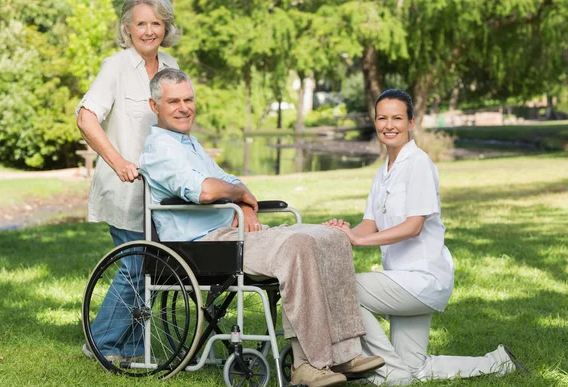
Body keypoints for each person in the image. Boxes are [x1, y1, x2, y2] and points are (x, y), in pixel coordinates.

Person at [138, 68, 385, 387]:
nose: (184, 107)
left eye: (189, 99)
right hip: (203, 245)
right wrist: (239, 196)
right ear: (154, 105)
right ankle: (308, 364)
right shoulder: (159, 149)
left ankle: (344, 353)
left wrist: (240, 200)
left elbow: (227, 180)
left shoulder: (188, 143)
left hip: (231, 234)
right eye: (174, 101)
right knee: (298, 246)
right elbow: (207, 191)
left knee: (333, 236)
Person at [323, 89, 529, 385]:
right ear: (375, 121)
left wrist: (357, 241)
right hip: (401, 279)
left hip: (422, 279)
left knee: (343, 287)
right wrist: (344, 234)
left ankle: (387, 369)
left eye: (397, 118)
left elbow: (413, 227)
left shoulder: (418, 163)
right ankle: (498, 363)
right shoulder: (383, 173)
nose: (389, 125)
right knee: (416, 367)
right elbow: (370, 223)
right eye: (382, 118)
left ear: (411, 123)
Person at [75, 0, 180, 361]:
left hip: (161, 190)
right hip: (125, 187)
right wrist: (117, 160)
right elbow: (87, 117)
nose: (149, 31)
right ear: (127, 29)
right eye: (141, 24)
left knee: (154, 266)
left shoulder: (170, 67)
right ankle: (101, 343)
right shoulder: (115, 68)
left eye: (156, 23)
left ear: (165, 27)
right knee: (136, 266)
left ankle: (133, 345)